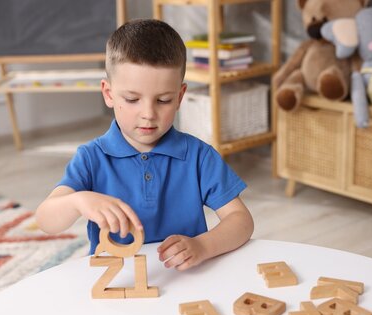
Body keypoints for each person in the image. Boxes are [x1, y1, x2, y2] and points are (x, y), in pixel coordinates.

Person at [36, 19, 254, 271]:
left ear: (180, 97)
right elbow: (45, 219)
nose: (148, 113)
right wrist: (77, 201)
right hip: (116, 283)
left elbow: (241, 220)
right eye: (132, 99)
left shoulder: (198, 156)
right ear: (108, 94)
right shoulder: (91, 158)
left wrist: (204, 246)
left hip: (184, 278)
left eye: (163, 100)